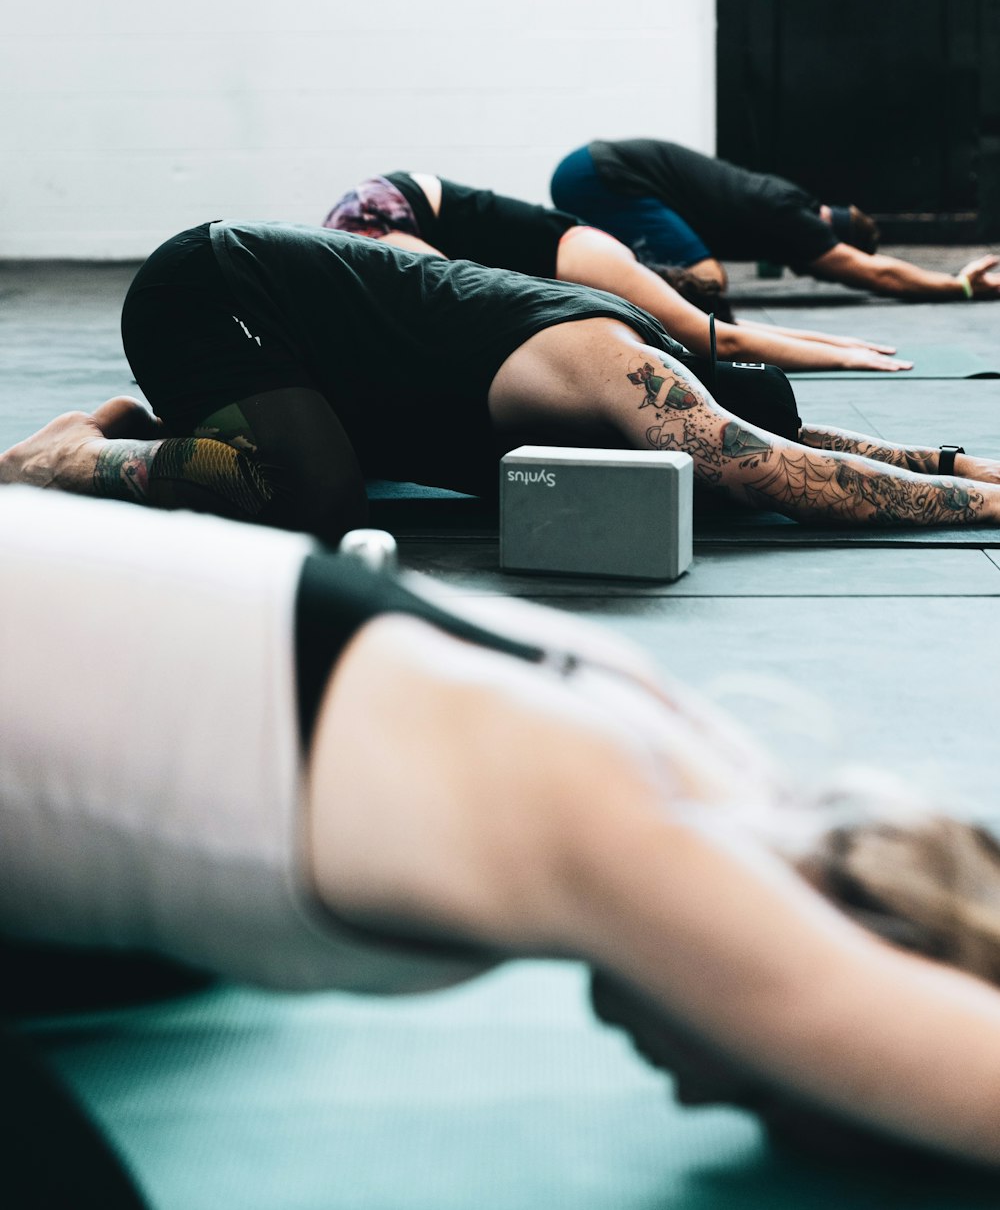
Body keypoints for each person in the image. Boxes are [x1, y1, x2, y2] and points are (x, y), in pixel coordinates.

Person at [5, 486, 1000, 1172]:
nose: (697, 1102)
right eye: (769, 1089)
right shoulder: (611, 820)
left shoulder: (671, 732)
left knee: (175, 955)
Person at [1, 220, 998, 542]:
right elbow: (767, 470)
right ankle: (81, 454)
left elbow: (803, 447)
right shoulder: (620, 363)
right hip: (209, 292)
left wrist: (966, 465)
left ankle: (159, 424)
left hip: (297, 351)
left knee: (331, 476)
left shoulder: (654, 395)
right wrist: (978, 509)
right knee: (315, 498)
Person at [322, 172, 911, 373]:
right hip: (381, 211)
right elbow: (720, 339)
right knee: (435, 304)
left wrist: (839, 339)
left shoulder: (586, 265)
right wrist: (847, 353)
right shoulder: (600, 257)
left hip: (381, 209)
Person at [550, 140, 1000, 303]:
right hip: (600, 175)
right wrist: (957, 285)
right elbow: (875, 273)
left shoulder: (782, 197)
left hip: (592, 167)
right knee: (709, 280)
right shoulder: (791, 218)